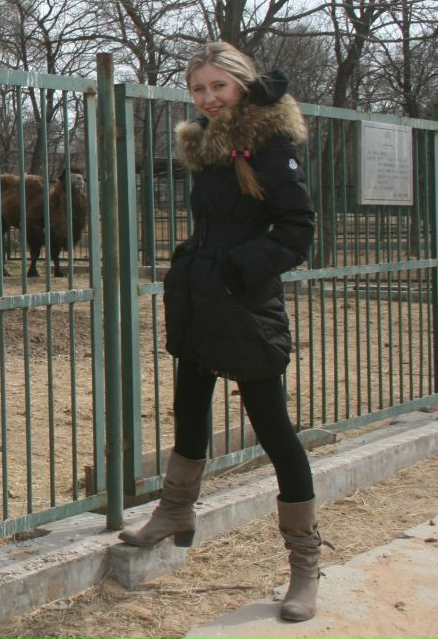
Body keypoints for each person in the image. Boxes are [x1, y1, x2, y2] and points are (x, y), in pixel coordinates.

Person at [119, 41, 321, 622]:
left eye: (219, 87)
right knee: (189, 410)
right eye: (199, 89)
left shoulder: (269, 144)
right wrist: (194, 263)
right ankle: (176, 511)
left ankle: (304, 565)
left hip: (245, 305)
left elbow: (297, 229)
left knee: (275, 430)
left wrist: (237, 268)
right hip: (200, 300)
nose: (208, 98)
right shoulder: (209, 146)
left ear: (241, 84)